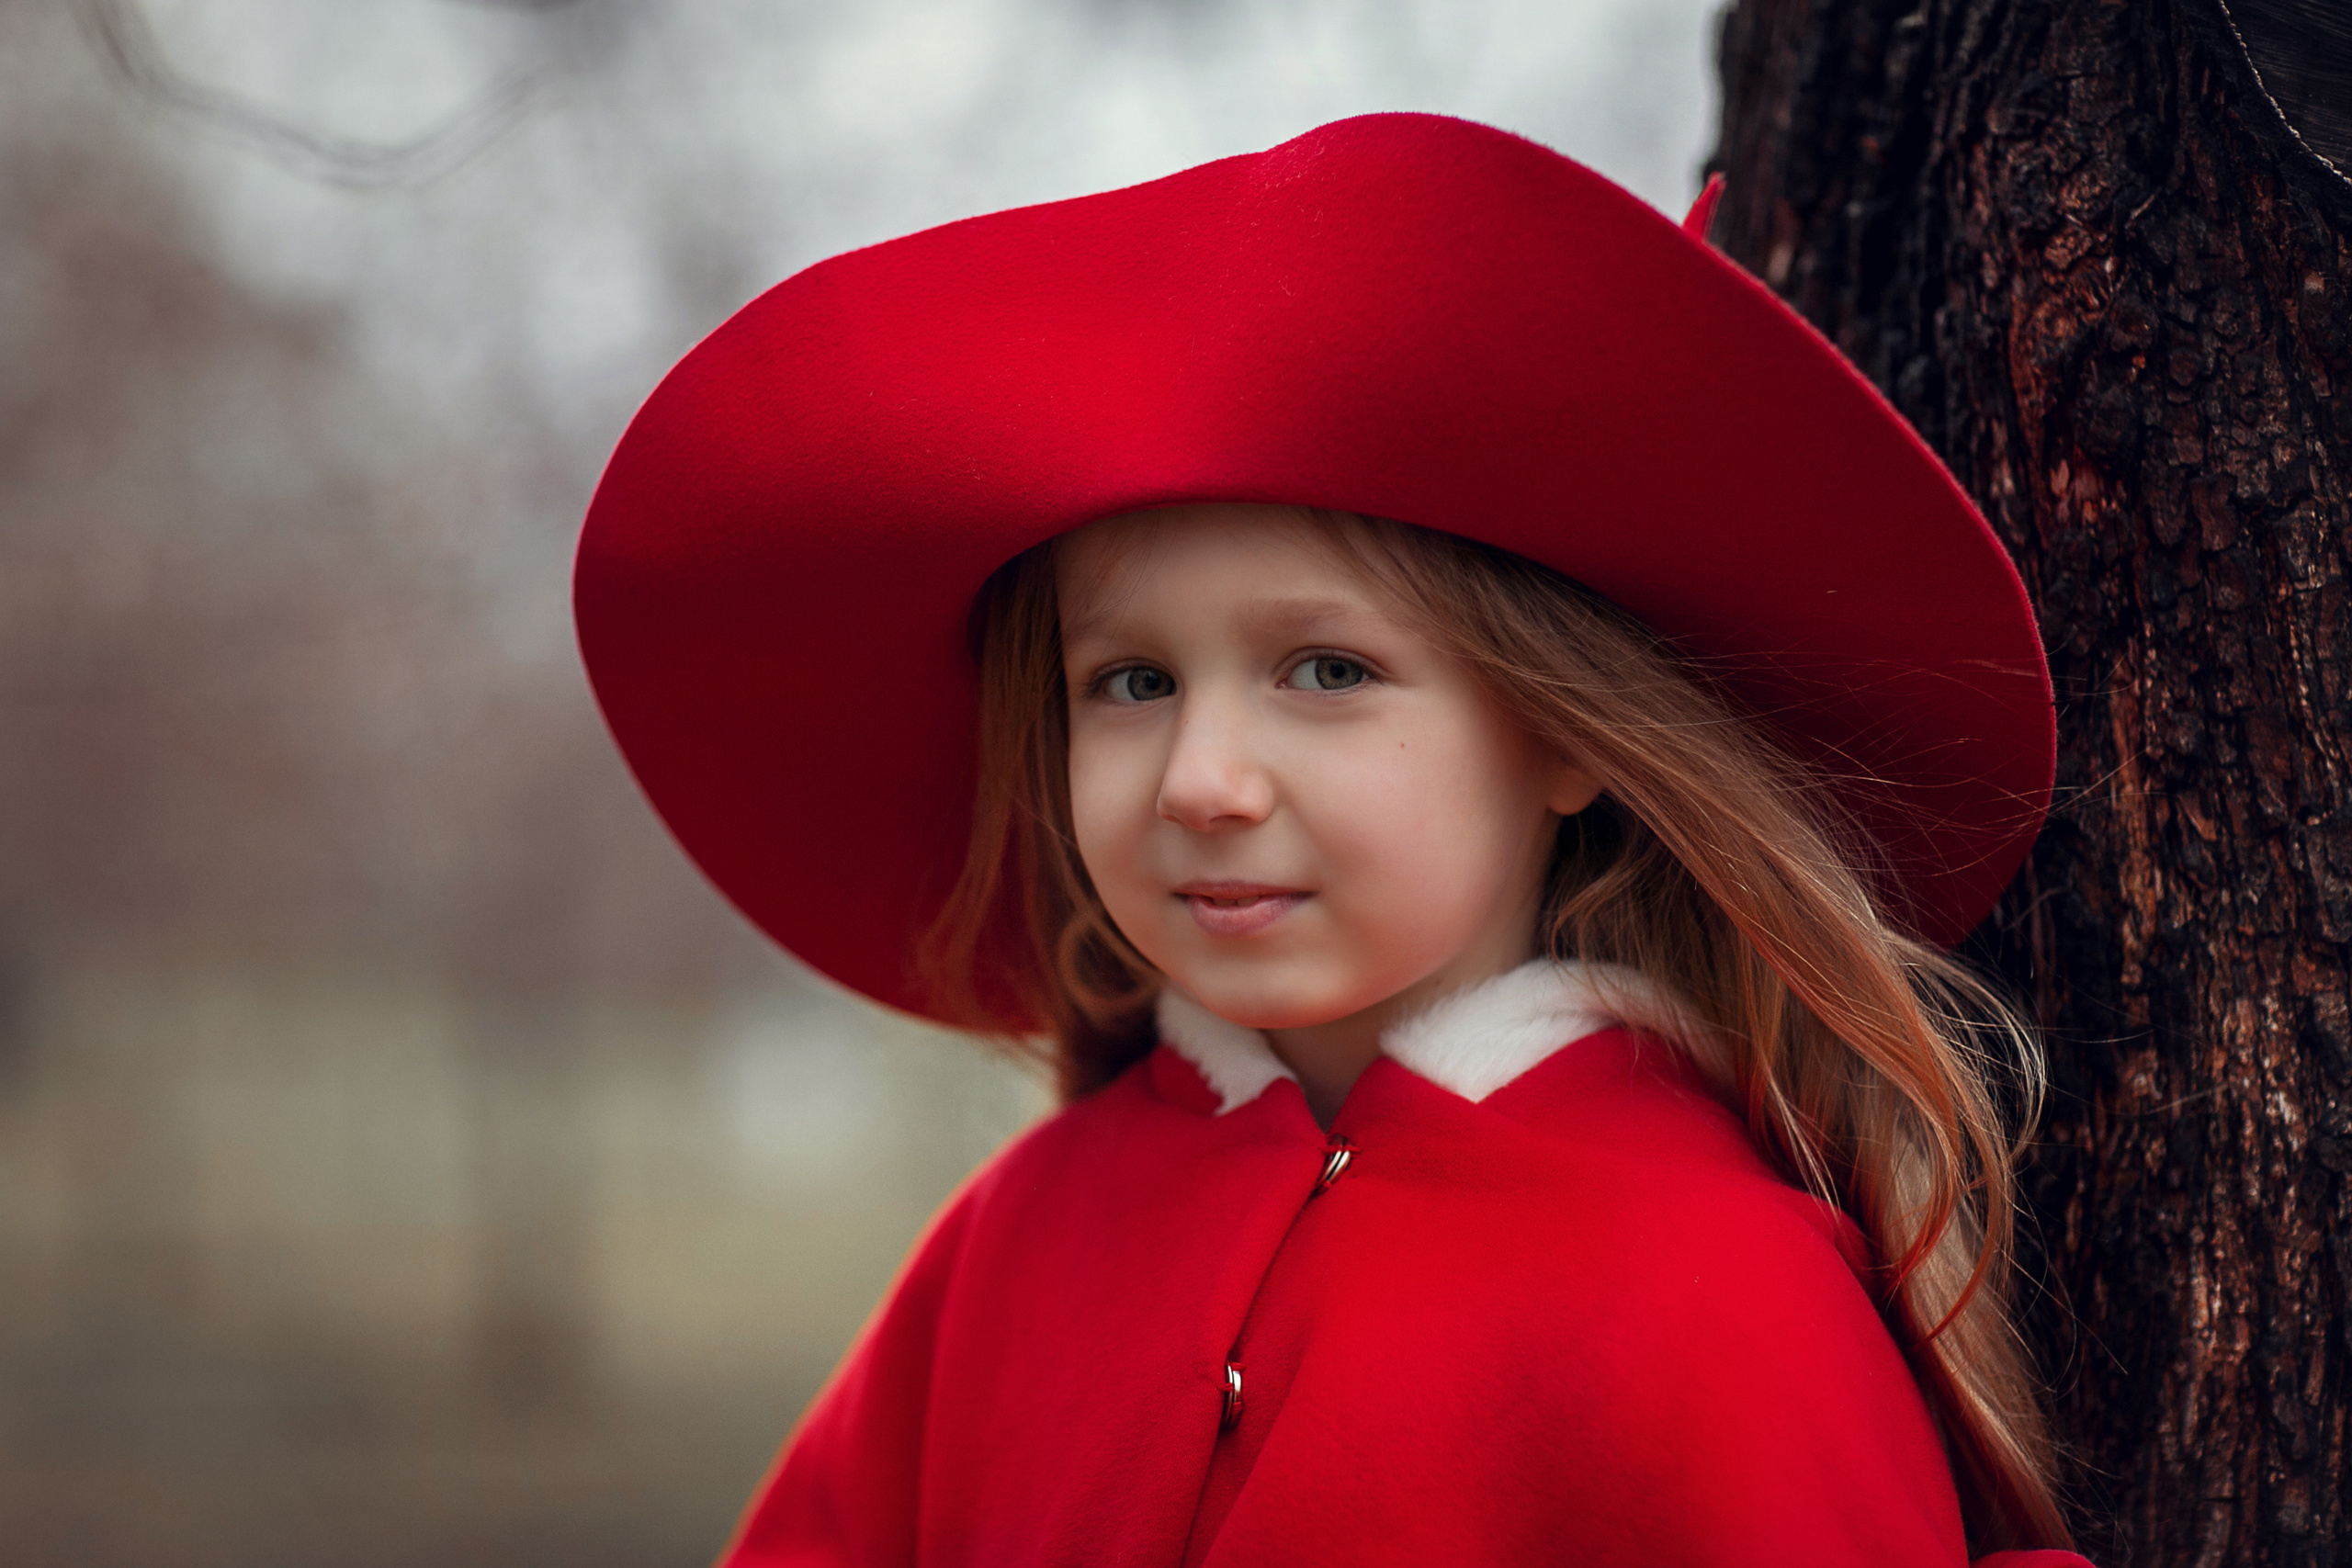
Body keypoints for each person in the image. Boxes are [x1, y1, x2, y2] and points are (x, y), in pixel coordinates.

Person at [574, 113, 2093, 1565]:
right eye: (1133, 682)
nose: (1201, 781)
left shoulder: (1719, 1290)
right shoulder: (1013, 1240)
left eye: (1326, 671)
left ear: (1566, 733)